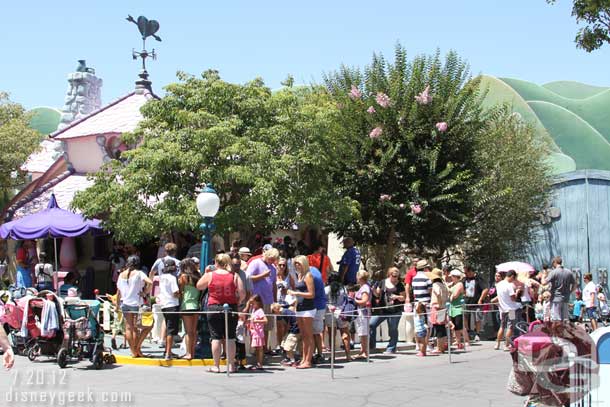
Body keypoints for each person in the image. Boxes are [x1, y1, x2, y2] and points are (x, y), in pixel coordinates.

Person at [197, 253, 245, 373]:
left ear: (216, 263)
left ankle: (216, 365)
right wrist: (238, 302)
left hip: (214, 307)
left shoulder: (210, 275)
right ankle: (231, 366)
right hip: (231, 307)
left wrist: (205, 273)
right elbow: (242, 293)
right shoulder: (234, 275)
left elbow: (199, 286)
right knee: (230, 337)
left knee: (216, 337)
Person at [116, 255, 152, 358]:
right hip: (136, 303)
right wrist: (145, 293)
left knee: (129, 328)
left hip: (125, 303)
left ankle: (133, 351)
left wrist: (117, 305)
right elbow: (150, 282)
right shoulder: (139, 273)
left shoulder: (121, 274)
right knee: (138, 328)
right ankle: (137, 349)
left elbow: (118, 292)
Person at [246, 247, 279, 352]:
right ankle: (255, 349)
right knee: (255, 325)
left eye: (274, 260)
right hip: (257, 300)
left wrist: (274, 300)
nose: (273, 262)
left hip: (268, 300)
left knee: (267, 325)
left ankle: (264, 348)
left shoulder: (273, 268)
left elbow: (274, 285)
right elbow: (248, 278)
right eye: (272, 259)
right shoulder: (256, 263)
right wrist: (262, 275)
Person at [287, 255, 316, 369]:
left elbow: (311, 294)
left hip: (308, 309)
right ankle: (304, 358)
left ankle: (308, 360)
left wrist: (297, 293)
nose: (296, 265)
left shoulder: (308, 276)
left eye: (298, 263)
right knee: (303, 335)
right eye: (295, 263)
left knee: (309, 335)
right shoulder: (299, 275)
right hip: (300, 307)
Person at [369, 267, 406, 354]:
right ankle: (372, 346)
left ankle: (391, 348)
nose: (395, 278)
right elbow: (377, 294)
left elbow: (403, 297)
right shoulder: (382, 282)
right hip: (383, 310)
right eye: (394, 275)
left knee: (393, 328)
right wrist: (373, 289)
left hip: (395, 310)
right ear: (389, 274)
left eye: (397, 276)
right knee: (371, 324)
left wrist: (396, 297)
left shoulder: (400, 285)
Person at [325, 272, 352, 361]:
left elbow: (324, 301)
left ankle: (332, 357)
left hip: (330, 312)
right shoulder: (343, 288)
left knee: (331, 335)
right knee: (345, 333)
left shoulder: (326, 289)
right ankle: (348, 356)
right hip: (341, 312)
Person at [542, 256, 576, 325]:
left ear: (555, 262)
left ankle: (557, 334)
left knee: (556, 319)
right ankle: (565, 334)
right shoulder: (569, 272)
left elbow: (544, 283)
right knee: (565, 319)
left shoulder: (553, 272)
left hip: (555, 299)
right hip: (565, 298)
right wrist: (570, 291)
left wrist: (543, 275)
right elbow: (575, 284)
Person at [178, 258, 201, 360]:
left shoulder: (183, 277)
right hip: (196, 305)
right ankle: (193, 352)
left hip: (186, 306)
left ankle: (188, 353)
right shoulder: (198, 276)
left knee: (188, 332)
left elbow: (180, 291)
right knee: (194, 331)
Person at [158, 259, 180, 360]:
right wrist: (181, 295)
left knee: (168, 327)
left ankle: (167, 350)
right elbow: (175, 292)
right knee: (171, 330)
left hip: (164, 304)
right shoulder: (172, 278)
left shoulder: (162, 278)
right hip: (172, 304)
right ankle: (168, 352)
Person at [493, 270, 521, 351]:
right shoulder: (509, 286)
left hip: (503, 309)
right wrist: (517, 292)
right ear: (512, 276)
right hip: (511, 309)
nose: (514, 280)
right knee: (510, 327)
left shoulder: (499, 284)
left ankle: (497, 344)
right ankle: (506, 345)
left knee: (502, 326)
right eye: (514, 278)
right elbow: (513, 298)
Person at [463, 265, 489, 342]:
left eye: (467, 272)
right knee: (465, 316)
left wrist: (481, 299)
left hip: (476, 302)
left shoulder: (478, 279)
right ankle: (467, 332)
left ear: (471, 271)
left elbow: (485, 289)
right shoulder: (464, 279)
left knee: (477, 318)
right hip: (467, 302)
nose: (466, 274)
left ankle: (477, 333)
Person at [427, 268, 449, 354]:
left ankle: (439, 348)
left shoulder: (435, 285)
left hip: (437, 307)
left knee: (438, 327)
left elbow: (437, 293)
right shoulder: (443, 285)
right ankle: (442, 346)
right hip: (443, 307)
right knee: (442, 327)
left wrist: (439, 302)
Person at [309, 264, 328, 363]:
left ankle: (316, 354)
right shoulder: (315, 270)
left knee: (313, 332)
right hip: (319, 306)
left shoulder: (310, 274)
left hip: (316, 306)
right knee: (316, 332)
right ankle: (318, 354)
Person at [272, 303, 300, 367]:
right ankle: (289, 358)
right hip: (292, 330)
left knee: (288, 347)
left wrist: (287, 332)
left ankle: (293, 361)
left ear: (276, 309)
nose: (274, 313)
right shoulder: (285, 312)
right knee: (283, 344)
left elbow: (288, 324)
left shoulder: (284, 312)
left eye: (273, 311)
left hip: (294, 330)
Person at [354, 270, 372, 360]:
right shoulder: (364, 287)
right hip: (362, 312)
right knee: (362, 332)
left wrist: (354, 300)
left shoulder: (364, 288)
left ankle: (365, 351)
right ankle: (362, 350)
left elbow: (364, 301)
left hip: (363, 312)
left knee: (363, 332)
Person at [247, 294, 268, 370]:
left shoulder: (260, 311)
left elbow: (265, 320)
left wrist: (256, 321)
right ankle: (258, 363)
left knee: (259, 348)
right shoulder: (253, 310)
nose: (252, 305)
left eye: (253, 303)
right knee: (257, 348)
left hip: (258, 332)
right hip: (254, 332)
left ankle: (260, 364)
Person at [449, 269, 466, 350]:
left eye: (452, 276)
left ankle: (465, 341)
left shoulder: (459, 284)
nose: (451, 278)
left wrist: (450, 294)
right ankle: (458, 341)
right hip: (452, 307)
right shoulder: (452, 284)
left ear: (455, 277)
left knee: (460, 326)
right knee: (455, 326)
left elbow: (455, 295)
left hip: (458, 307)